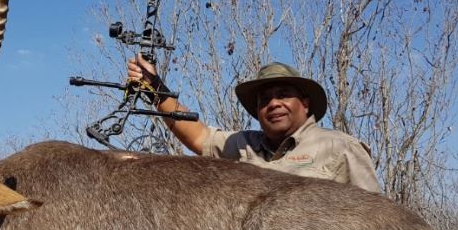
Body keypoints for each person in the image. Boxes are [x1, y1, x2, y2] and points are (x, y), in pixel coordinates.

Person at [126, 56, 380, 192]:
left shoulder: (341, 148)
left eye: (283, 95)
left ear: (305, 104)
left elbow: (378, 224)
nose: (274, 104)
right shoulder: (243, 145)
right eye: (265, 99)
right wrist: (154, 87)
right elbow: (199, 137)